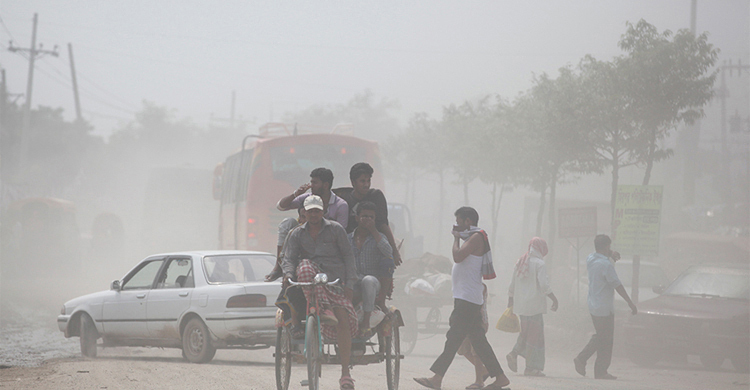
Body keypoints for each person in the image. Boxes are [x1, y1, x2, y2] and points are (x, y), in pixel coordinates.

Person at [414, 207, 510, 390]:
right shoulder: (473, 238)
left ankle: (437, 378)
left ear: (468, 222)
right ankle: (500, 377)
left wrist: (456, 237)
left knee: (453, 338)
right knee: (478, 341)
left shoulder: (477, 237)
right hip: (467, 298)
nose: (456, 225)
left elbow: (457, 257)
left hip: (468, 299)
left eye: (458, 221)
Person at [281, 195, 358, 390]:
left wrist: (350, 284)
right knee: (304, 266)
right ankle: (322, 310)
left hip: (334, 281)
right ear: (304, 213)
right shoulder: (297, 234)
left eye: (317, 210)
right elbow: (289, 258)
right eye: (310, 211)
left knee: (343, 318)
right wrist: (288, 274)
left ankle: (345, 374)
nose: (313, 214)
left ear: (323, 211)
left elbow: (349, 258)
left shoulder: (336, 230)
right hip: (310, 285)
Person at [574, 234, 637, 380]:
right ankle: (587, 362)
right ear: (606, 246)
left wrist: (610, 254)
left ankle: (597, 369)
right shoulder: (606, 265)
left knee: (602, 336)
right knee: (605, 339)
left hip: (594, 305)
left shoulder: (591, 259)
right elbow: (617, 285)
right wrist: (630, 302)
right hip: (604, 308)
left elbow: (601, 254)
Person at [506, 237, 558, 377]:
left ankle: (515, 352)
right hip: (535, 306)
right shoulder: (540, 264)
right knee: (535, 338)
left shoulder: (520, 261)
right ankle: (531, 367)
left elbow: (512, 282)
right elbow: (544, 285)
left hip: (522, 306)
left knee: (526, 333)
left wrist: (510, 299)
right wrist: (554, 299)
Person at [335, 162, 402, 266]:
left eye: (368, 181)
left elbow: (383, 224)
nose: (366, 185)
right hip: (351, 245)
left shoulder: (376, 196)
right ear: (353, 182)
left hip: (374, 242)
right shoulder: (345, 199)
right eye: (362, 181)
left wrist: (394, 250)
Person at [347, 201, 394, 334]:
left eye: (371, 217)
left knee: (368, 280)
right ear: (357, 218)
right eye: (364, 216)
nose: (367, 219)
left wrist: (373, 231)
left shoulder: (379, 238)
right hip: (353, 281)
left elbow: (388, 252)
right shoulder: (348, 238)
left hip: (373, 282)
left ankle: (366, 322)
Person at [277, 167, 349, 229]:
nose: (311, 186)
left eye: (315, 183)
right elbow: (281, 206)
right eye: (311, 182)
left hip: (328, 242)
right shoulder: (306, 198)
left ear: (326, 185)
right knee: (288, 222)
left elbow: (341, 232)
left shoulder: (341, 205)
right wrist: (295, 194)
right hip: (305, 238)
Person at [457, 283, 490, 390]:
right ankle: (484, 371)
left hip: (478, 321)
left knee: (476, 351)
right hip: (468, 321)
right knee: (462, 349)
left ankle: (479, 381)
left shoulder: (480, 286)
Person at [265, 206, 306, 282]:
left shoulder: (330, 229)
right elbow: (289, 258)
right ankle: (278, 267)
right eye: (303, 217)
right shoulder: (295, 232)